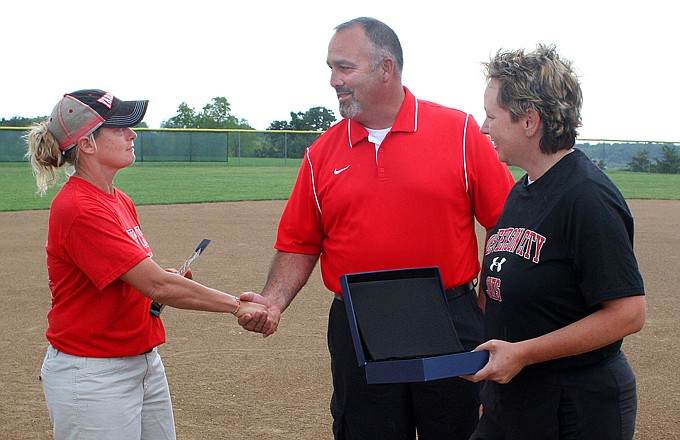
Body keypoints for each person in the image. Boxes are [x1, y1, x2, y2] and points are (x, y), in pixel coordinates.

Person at [237, 17, 515, 440]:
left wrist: (486, 296)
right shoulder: (321, 152)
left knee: (457, 429)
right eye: (331, 68)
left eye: (344, 68)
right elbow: (299, 242)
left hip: (447, 318)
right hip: (358, 321)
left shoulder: (458, 132)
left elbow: (507, 223)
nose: (334, 80)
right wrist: (273, 301)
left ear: (386, 69)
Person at [26, 89, 277, 440]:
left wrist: (156, 287)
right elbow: (156, 284)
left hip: (140, 360)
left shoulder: (118, 200)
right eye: (120, 128)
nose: (133, 134)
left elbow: (138, 281)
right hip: (94, 373)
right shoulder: (80, 207)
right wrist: (237, 305)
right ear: (87, 144)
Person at [465, 45, 646, 439]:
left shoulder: (587, 196)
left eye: (492, 116)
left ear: (529, 121)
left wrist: (524, 354)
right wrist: (492, 391)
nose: (483, 127)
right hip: (514, 399)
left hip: (576, 405)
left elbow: (628, 313)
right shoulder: (523, 190)